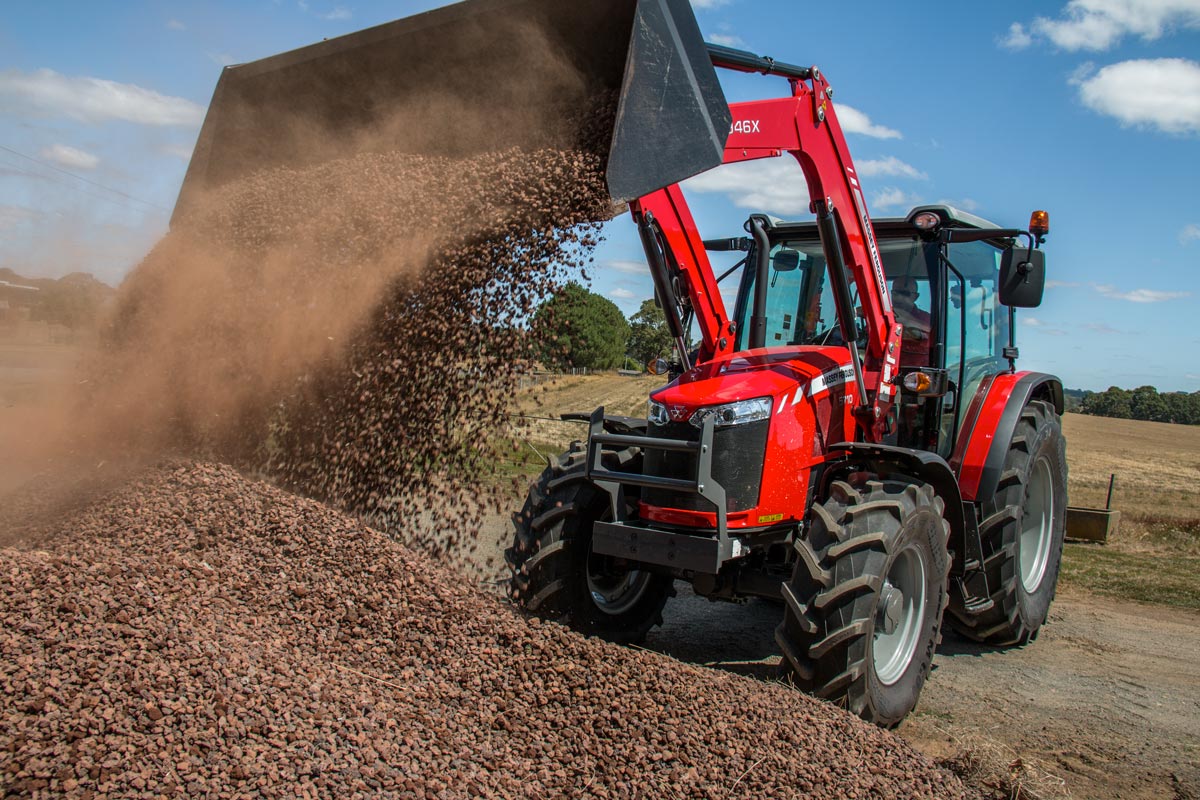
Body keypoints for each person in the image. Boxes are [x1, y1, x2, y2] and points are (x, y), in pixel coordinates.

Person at [892, 275, 932, 367]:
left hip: (916, 372)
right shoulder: (882, 316)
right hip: (879, 369)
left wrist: (906, 320)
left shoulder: (926, 319)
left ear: (916, 297)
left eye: (905, 294)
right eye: (895, 293)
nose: (899, 298)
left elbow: (932, 338)